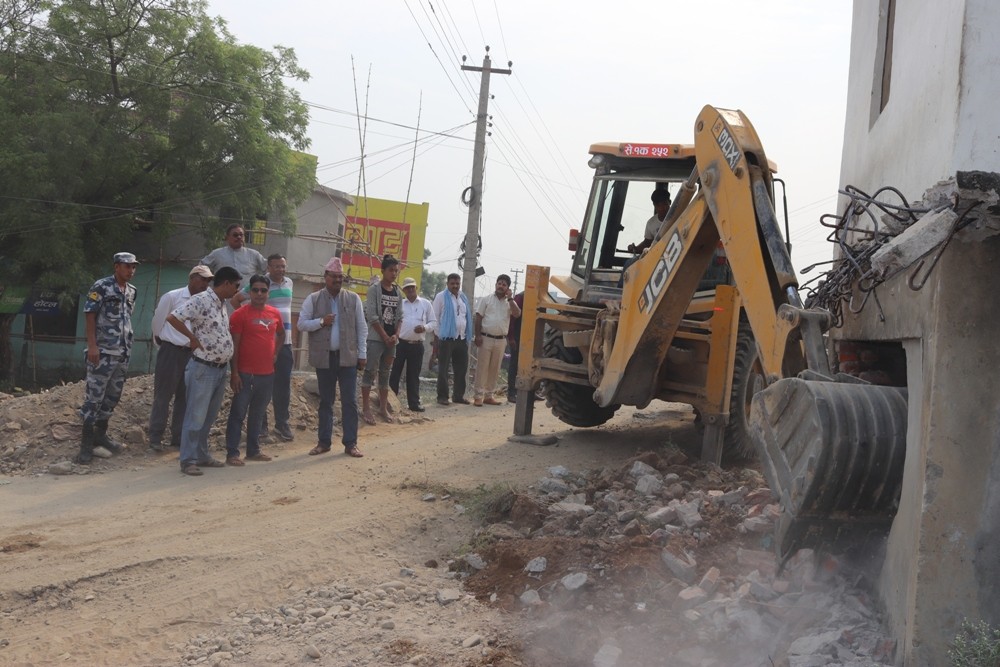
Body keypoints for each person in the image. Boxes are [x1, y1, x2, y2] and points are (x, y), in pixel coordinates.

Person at [167, 266, 243, 476]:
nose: (237, 290)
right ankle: (188, 459)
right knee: (195, 416)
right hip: (203, 368)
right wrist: (191, 338)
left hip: (219, 369)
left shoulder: (221, 304)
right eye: (236, 286)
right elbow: (173, 317)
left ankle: (201, 454)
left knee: (208, 417)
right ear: (226, 283)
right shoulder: (201, 300)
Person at [297, 257, 368, 458]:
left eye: (340, 277)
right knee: (326, 401)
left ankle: (351, 443)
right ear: (326, 277)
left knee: (350, 402)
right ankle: (324, 442)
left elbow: (361, 328)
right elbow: (301, 324)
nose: (338, 280)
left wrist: (362, 354)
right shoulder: (314, 298)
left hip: (348, 358)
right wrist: (321, 322)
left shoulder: (353, 298)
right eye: (334, 277)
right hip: (324, 359)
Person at [75, 252, 139, 464]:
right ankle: (85, 447)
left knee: (112, 397)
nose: (131, 270)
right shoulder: (101, 287)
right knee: (94, 398)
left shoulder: (132, 291)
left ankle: (100, 436)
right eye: (127, 266)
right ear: (116, 267)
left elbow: (126, 317)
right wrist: (92, 345)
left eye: (133, 267)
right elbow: (90, 314)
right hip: (102, 353)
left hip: (122, 352)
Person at [147, 265, 214, 452]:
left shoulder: (206, 301)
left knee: (185, 398)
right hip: (171, 351)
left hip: (193, 354)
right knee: (163, 396)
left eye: (208, 280)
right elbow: (158, 322)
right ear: (192, 278)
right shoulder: (173, 297)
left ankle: (178, 438)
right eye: (202, 279)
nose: (205, 284)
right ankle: (155, 437)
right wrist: (163, 343)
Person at [231, 253, 295, 441]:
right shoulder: (260, 284)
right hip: (264, 343)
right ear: (268, 267)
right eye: (276, 266)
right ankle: (261, 427)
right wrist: (248, 322)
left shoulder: (289, 283)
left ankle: (282, 424)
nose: (280, 270)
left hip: (285, 341)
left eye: (283, 266)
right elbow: (236, 300)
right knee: (261, 386)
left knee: (282, 386)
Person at [225, 274, 284, 466]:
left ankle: (253, 450)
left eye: (263, 290)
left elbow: (282, 334)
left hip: (267, 375)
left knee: (258, 414)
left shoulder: (275, 314)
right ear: (249, 292)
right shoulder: (239, 314)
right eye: (255, 290)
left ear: (268, 293)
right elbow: (235, 345)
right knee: (238, 413)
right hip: (244, 374)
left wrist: (275, 353)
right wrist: (234, 373)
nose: (259, 294)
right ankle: (232, 453)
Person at [361, 255, 401, 424]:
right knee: (370, 371)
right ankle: (365, 409)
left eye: (396, 271)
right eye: (391, 270)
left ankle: (383, 408)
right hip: (377, 338)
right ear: (383, 271)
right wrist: (384, 336)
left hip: (392, 340)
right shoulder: (374, 290)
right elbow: (372, 316)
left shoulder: (397, 291)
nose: (393, 274)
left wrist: (396, 335)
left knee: (385, 373)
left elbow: (400, 316)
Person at [473, 274, 522, 406]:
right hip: (485, 338)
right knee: (482, 368)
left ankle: (489, 395)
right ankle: (478, 395)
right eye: (499, 283)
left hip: (501, 340)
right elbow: (478, 318)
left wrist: (511, 298)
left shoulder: (510, 303)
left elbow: (517, 314)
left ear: (507, 288)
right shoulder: (486, 299)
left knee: (495, 369)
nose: (501, 286)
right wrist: (477, 336)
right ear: (495, 284)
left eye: (504, 284)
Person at [389, 276, 436, 412]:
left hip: (417, 345)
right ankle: (392, 403)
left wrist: (424, 328)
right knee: (395, 374)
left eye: (412, 287)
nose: (410, 290)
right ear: (403, 290)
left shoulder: (426, 304)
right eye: (407, 288)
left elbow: (433, 323)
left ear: (416, 288)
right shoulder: (400, 304)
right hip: (400, 344)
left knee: (413, 375)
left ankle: (414, 404)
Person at [432, 273, 473, 406]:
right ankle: (442, 396)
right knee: (443, 369)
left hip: (461, 338)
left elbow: (466, 316)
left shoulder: (463, 297)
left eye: (457, 283)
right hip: (446, 338)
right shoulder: (440, 297)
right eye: (452, 283)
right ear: (447, 284)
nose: (455, 286)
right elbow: (435, 318)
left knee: (461, 369)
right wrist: (439, 335)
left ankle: (458, 396)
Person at [620, 188, 672, 286]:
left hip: (674, 254)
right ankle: (620, 292)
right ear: (655, 206)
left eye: (665, 204)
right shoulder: (651, 223)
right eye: (658, 205)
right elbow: (647, 243)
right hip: (655, 256)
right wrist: (635, 248)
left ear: (670, 202)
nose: (662, 208)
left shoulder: (678, 216)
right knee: (629, 263)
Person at [201, 223, 267, 280]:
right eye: (235, 235)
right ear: (227, 237)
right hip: (222, 294)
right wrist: (210, 281)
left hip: (247, 294)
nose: (239, 237)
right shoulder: (217, 254)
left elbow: (268, 268)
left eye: (241, 235)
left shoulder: (254, 254)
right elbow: (201, 267)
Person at [506, 291, 525, 402]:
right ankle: (512, 393)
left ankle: (529, 392)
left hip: (531, 337)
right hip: (518, 336)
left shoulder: (540, 297)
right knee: (515, 364)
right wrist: (511, 337)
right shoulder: (521, 297)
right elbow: (512, 319)